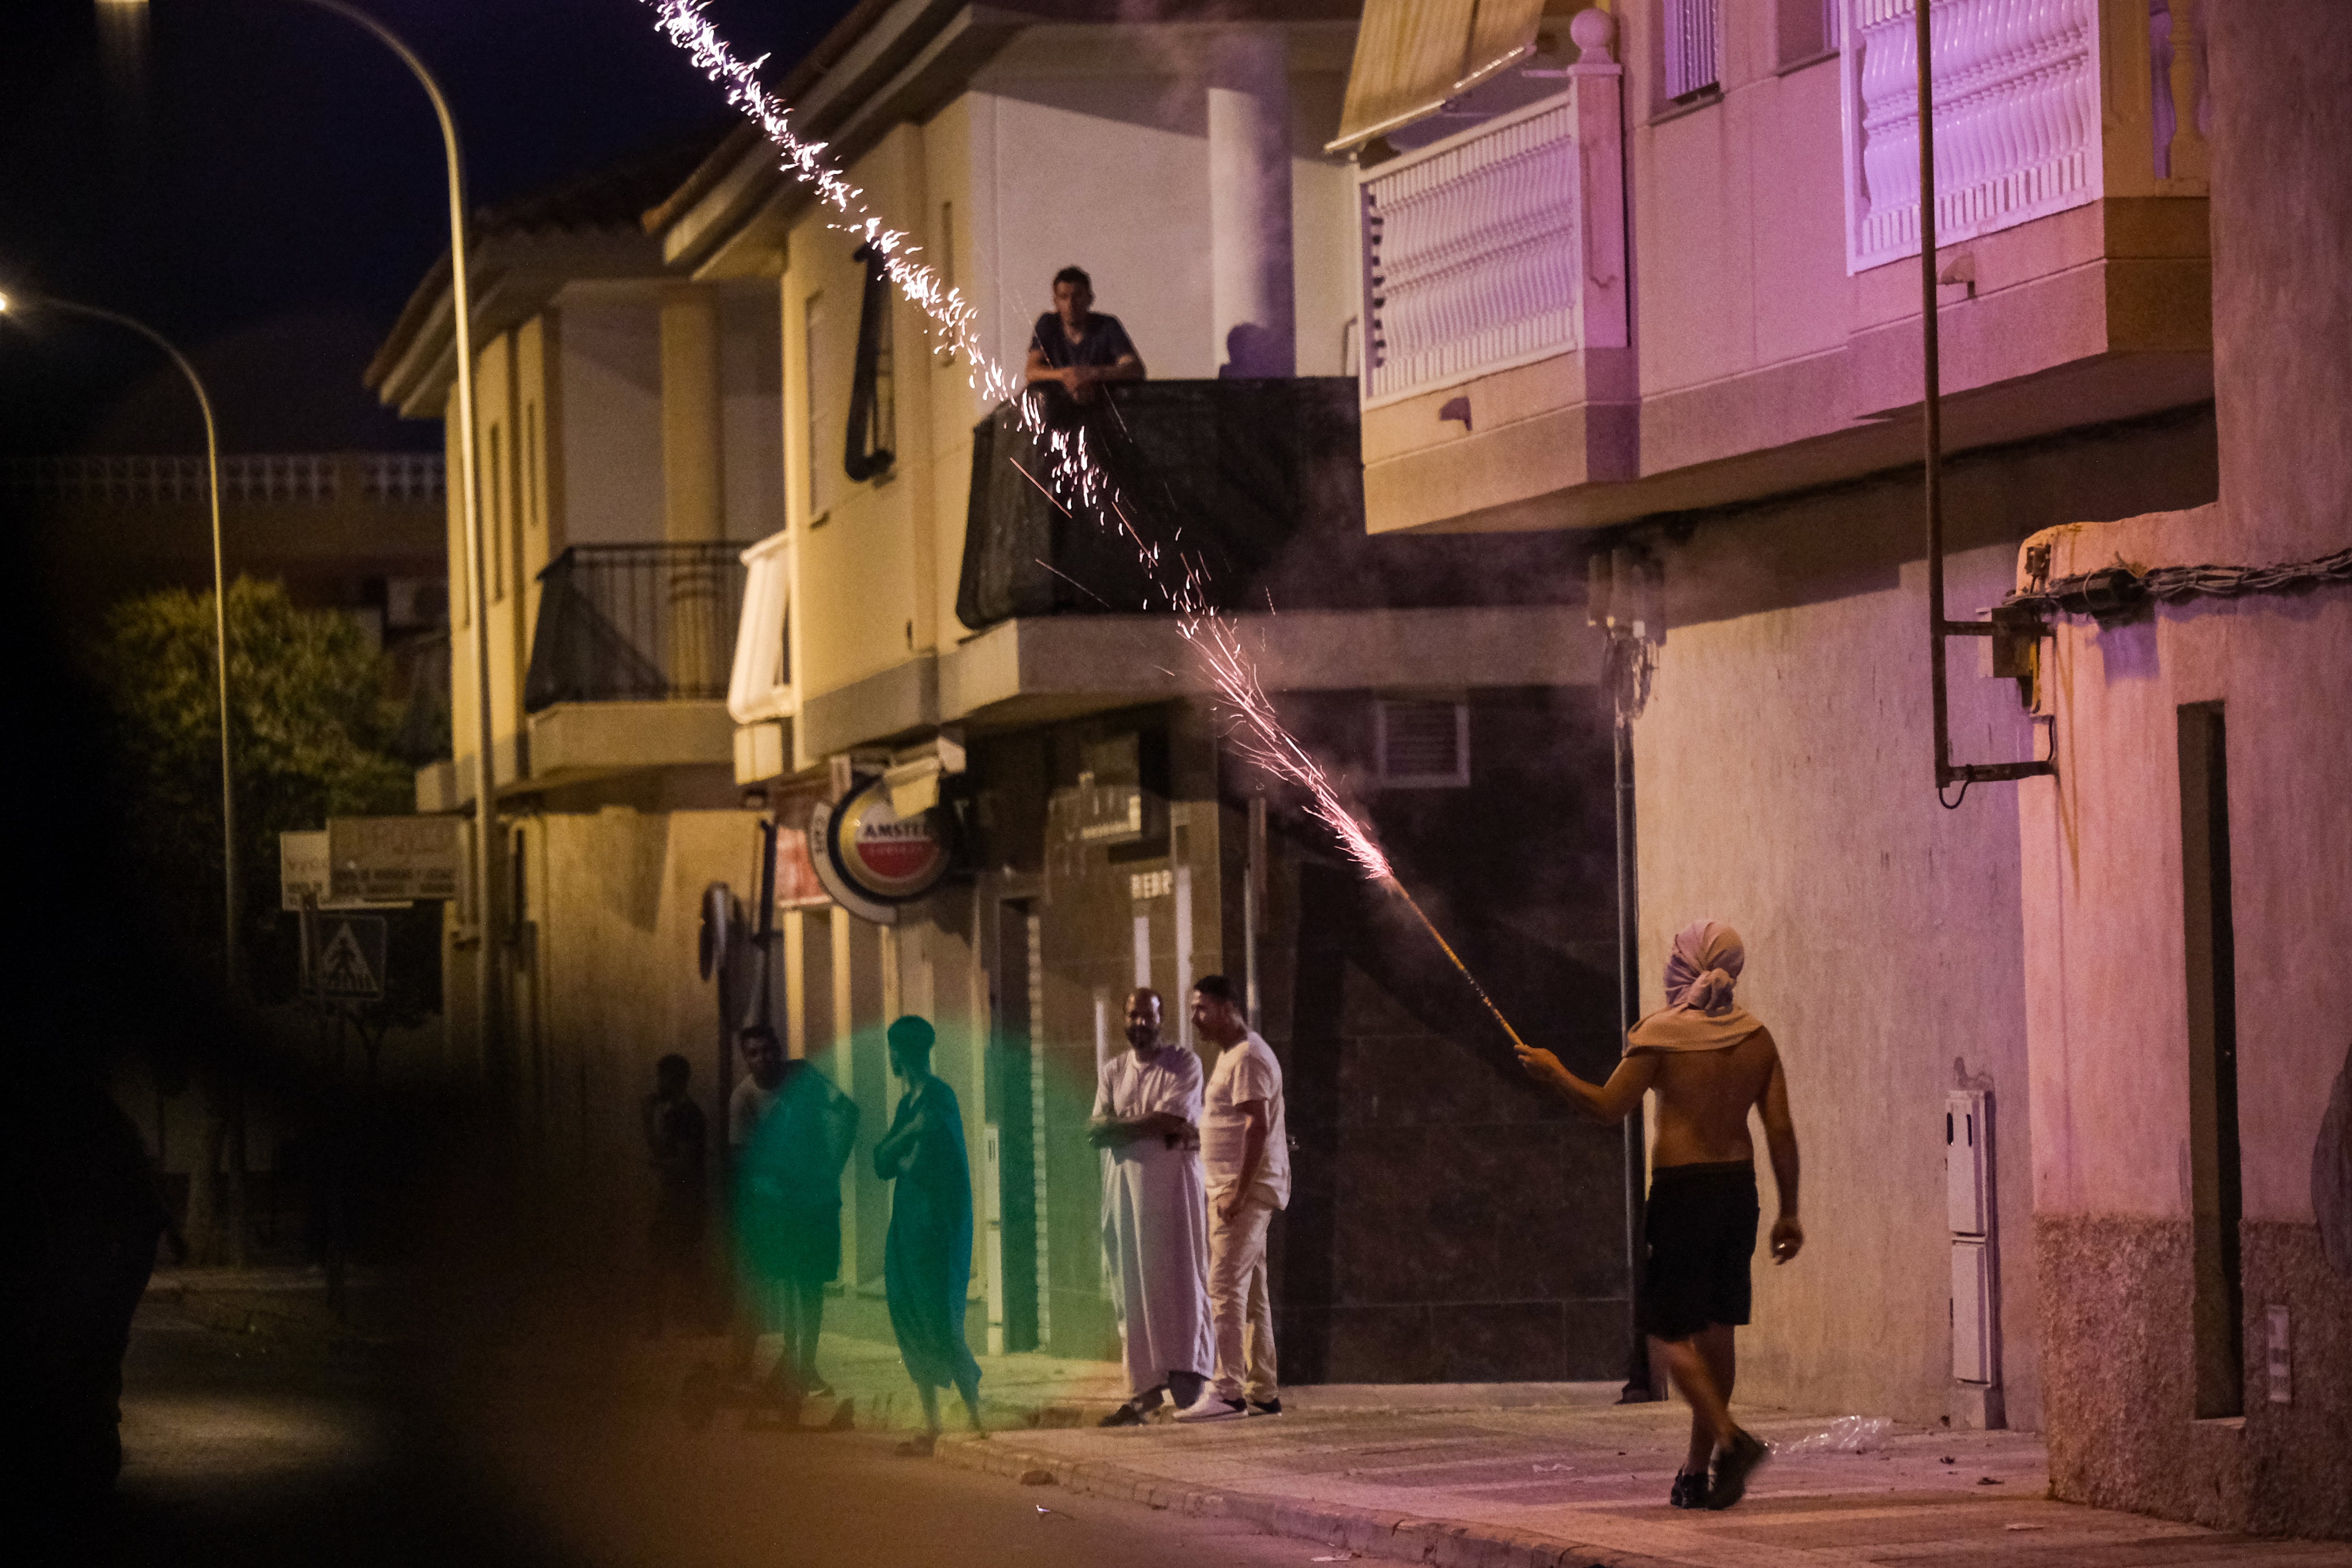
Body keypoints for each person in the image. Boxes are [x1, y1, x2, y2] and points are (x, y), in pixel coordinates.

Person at [1512, 921, 1802, 1512]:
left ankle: (1731, 1440)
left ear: (1686, 966)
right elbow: (1779, 1131)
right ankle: (1696, 1473)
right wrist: (1788, 1211)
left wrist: (1553, 1072)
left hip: (1682, 1193)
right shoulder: (1757, 1039)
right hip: (1737, 1192)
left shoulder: (1660, 1036)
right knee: (1716, 1332)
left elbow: (1606, 1106)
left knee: (1666, 1336)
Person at [1089, 987, 1214, 1425]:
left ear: (1161, 1020)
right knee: (1132, 1287)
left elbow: (1172, 1119)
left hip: (1173, 1198)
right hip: (1123, 1196)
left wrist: (1120, 1126)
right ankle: (1144, 1390)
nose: (1140, 1024)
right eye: (1133, 1016)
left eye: (1148, 1016)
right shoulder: (1114, 1070)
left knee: (1179, 1280)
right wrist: (1144, 1126)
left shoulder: (1183, 1064)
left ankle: (1189, 1378)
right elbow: (1095, 1129)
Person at [1177, 975, 1289, 1422]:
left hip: (1240, 1193)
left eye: (1202, 1008)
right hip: (1237, 1189)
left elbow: (1256, 1125)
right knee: (1254, 1293)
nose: (1195, 1017)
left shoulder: (1248, 1056)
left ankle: (1227, 1391)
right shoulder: (1235, 1055)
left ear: (1228, 1008)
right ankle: (1264, 1389)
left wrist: (1238, 1193)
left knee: (1224, 1288)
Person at [873, 1015, 985, 1456]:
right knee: (911, 1319)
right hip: (907, 1229)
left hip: (938, 1231)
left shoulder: (940, 1099)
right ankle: (932, 1423)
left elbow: (914, 1165)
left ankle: (975, 1417)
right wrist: (903, 1139)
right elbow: (882, 1162)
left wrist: (896, 1149)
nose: (893, 1058)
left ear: (901, 1052)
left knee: (941, 1321)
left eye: (894, 1050)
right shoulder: (909, 1107)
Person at [730, 1025, 858, 1404]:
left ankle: (806, 1364)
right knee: (780, 1283)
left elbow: (848, 1110)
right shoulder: (745, 1099)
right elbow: (740, 1156)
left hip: (815, 1201)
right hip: (774, 1204)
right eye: (753, 1053)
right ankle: (785, 1364)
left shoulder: (802, 1076)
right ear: (746, 1058)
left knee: (811, 1284)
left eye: (768, 1050)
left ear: (779, 1050)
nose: (762, 1059)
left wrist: (834, 1162)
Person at [642, 1053, 710, 1337]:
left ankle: (700, 1321)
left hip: (684, 1199)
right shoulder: (675, 1115)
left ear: (675, 1080)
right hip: (677, 1198)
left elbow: (682, 1163)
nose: (658, 1084)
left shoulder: (687, 1116)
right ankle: (697, 1321)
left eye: (662, 1078)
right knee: (675, 1259)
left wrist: (647, 1122)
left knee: (674, 1259)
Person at [1024, 265, 1144, 408]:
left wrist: (1093, 374)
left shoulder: (1107, 325)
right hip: (1059, 411)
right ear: (1056, 302)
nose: (1071, 304)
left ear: (1090, 299)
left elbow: (1135, 368)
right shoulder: (1048, 324)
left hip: (1102, 409)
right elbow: (1032, 371)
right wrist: (1068, 376)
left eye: (1077, 296)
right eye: (1064, 297)